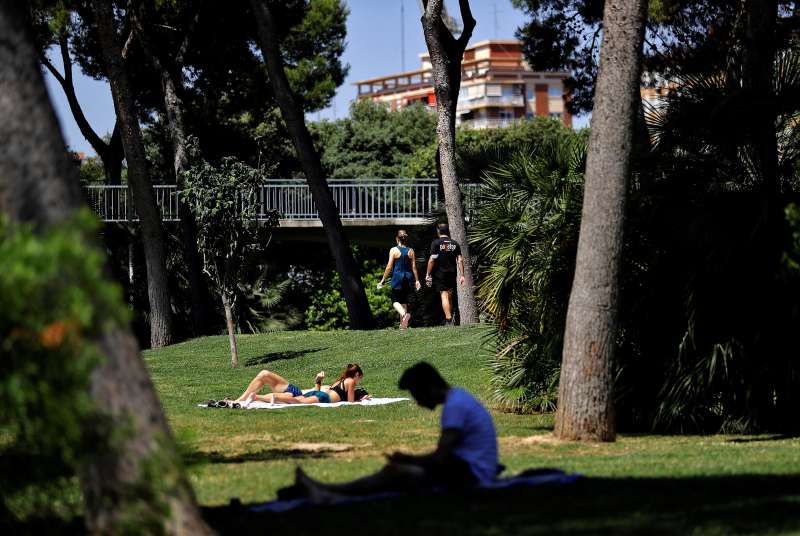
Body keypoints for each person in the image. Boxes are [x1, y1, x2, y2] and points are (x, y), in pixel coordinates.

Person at [288, 362, 499, 503]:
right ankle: (331, 491)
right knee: (399, 472)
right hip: (468, 469)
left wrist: (408, 459)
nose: (417, 400)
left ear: (428, 387)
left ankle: (332, 493)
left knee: (398, 473)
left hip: (472, 476)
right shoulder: (458, 399)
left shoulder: (456, 407)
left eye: (416, 393)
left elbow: (442, 457)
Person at [232, 364, 367, 406]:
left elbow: (318, 390)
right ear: (357, 375)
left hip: (316, 394)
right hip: (321, 397)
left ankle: (255, 397)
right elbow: (350, 401)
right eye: (360, 377)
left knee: (296, 398)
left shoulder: (339, 381)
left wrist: (318, 380)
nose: (358, 381)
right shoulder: (350, 382)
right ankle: (256, 398)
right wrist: (358, 399)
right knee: (298, 400)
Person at [377, 229, 421, 330]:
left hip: (398, 278)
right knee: (404, 301)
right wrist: (417, 280)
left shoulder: (394, 250)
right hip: (409, 278)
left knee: (395, 300)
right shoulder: (411, 251)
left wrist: (383, 279)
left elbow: (389, 266)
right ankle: (403, 326)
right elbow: (414, 267)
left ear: (397, 239)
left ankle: (404, 315)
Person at [425, 223, 465, 326]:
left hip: (440, 273)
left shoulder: (436, 243)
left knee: (444, 295)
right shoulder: (455, 243)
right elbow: (460, 260)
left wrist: (428, 273)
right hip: (452, 273)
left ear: (438, 231)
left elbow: (432, 260)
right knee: (449, 296)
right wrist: (462, 275)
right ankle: (450, 317)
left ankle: (448, 319)